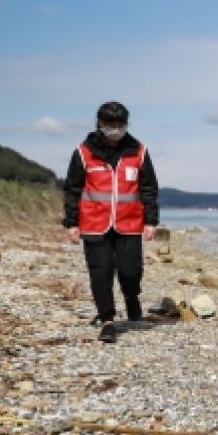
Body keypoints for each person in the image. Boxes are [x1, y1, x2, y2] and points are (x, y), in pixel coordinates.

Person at [62, 101, 159, 344]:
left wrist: (151, 221)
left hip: (129, 223)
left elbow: (148, 189)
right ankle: (107, 320)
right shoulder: (84, 152)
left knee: (130, 271)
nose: (115, 130)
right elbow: (72, 189)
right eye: (110, 125)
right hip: (95, 223)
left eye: (120, 125)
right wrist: (71, 223)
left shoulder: (139, 151)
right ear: (99, 124)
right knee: (100, 273)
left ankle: (131, 297)